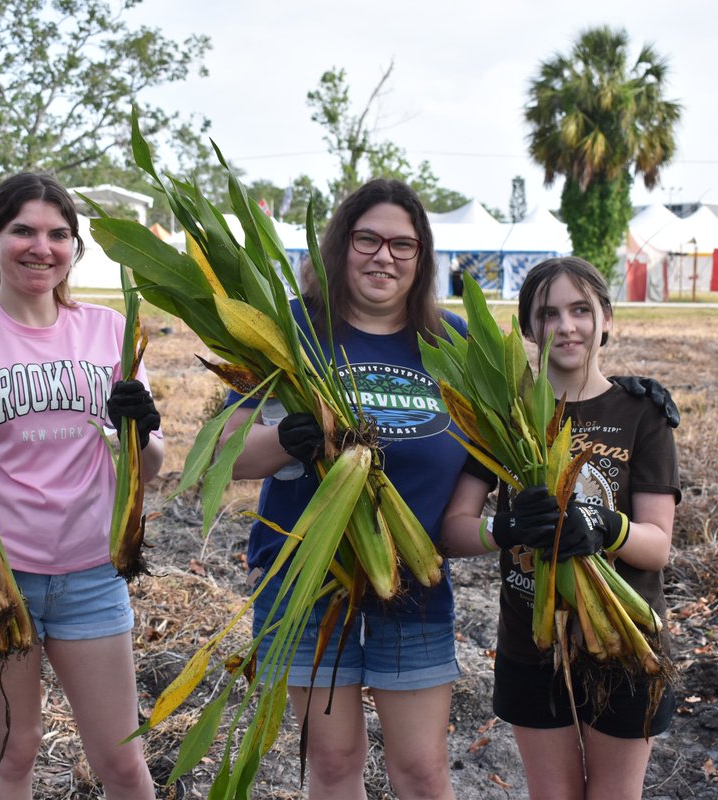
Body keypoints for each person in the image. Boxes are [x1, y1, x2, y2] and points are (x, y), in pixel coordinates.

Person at [0, 173, 164, 800]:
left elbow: (149, 469)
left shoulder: (108, 330)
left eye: (58, 234)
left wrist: (143, 431)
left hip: (91, 576)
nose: (42, 248)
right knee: (13, 753)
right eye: (24, 231)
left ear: (74, 246)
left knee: (123, 762)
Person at [220, 178, 469, 799]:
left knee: (422, 769)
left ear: (421, 257)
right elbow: (225, 456)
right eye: (367, 240)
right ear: (340, 244)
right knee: (332, 763)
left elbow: (509, 428)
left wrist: (623, 397)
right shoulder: (290, 332)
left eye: (402, 245)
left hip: (412, 582)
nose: (384, 257)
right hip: (306, 582)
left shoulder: (452, 342)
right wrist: (286, 439)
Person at [440, 255, 680, 800]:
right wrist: (505, 528)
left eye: (581, 310)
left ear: (606, 318)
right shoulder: (503, 418)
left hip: (625, 645)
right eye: (549, 314)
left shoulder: (641, 413)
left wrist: (605, 525)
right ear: (529, 329)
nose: (567, 326)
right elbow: (452, 532)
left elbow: (658, 547)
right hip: (532, 646)